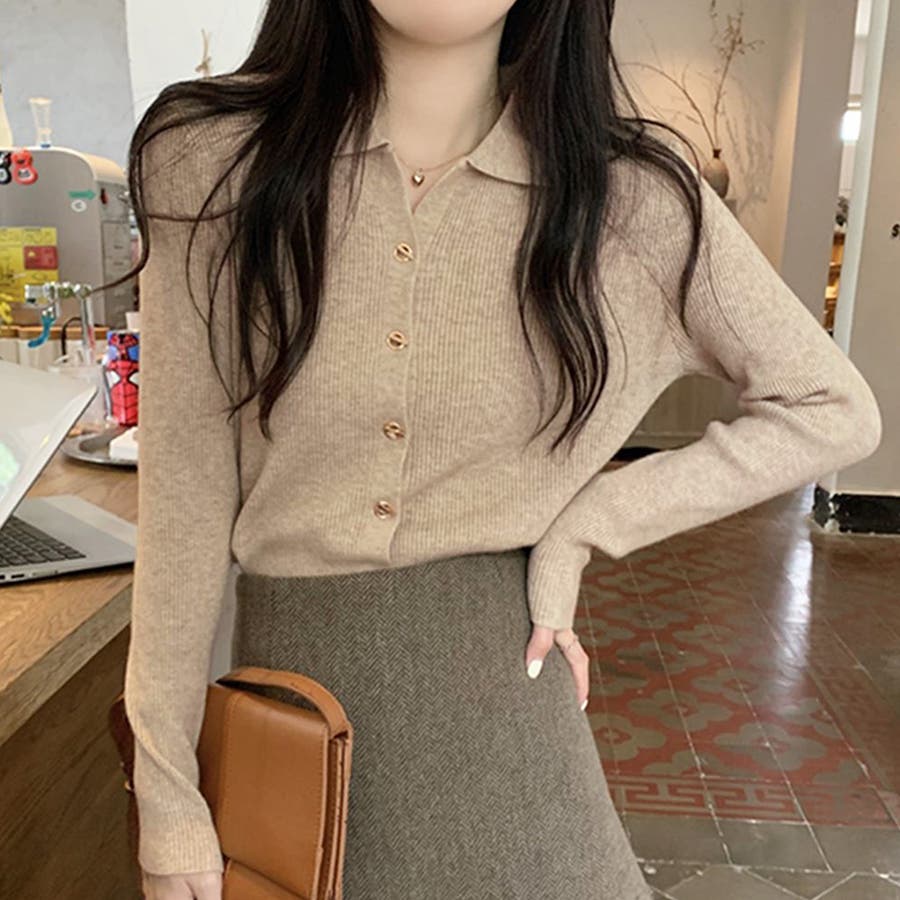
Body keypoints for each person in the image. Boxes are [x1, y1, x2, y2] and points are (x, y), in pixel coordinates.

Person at [115, 1, 883, 898]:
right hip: (294, 736)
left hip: (517, 739)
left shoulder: (629, 195)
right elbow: (184, 499)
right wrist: (166, 797)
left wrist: (589, 523)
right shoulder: (213, 160)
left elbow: (830, 408)